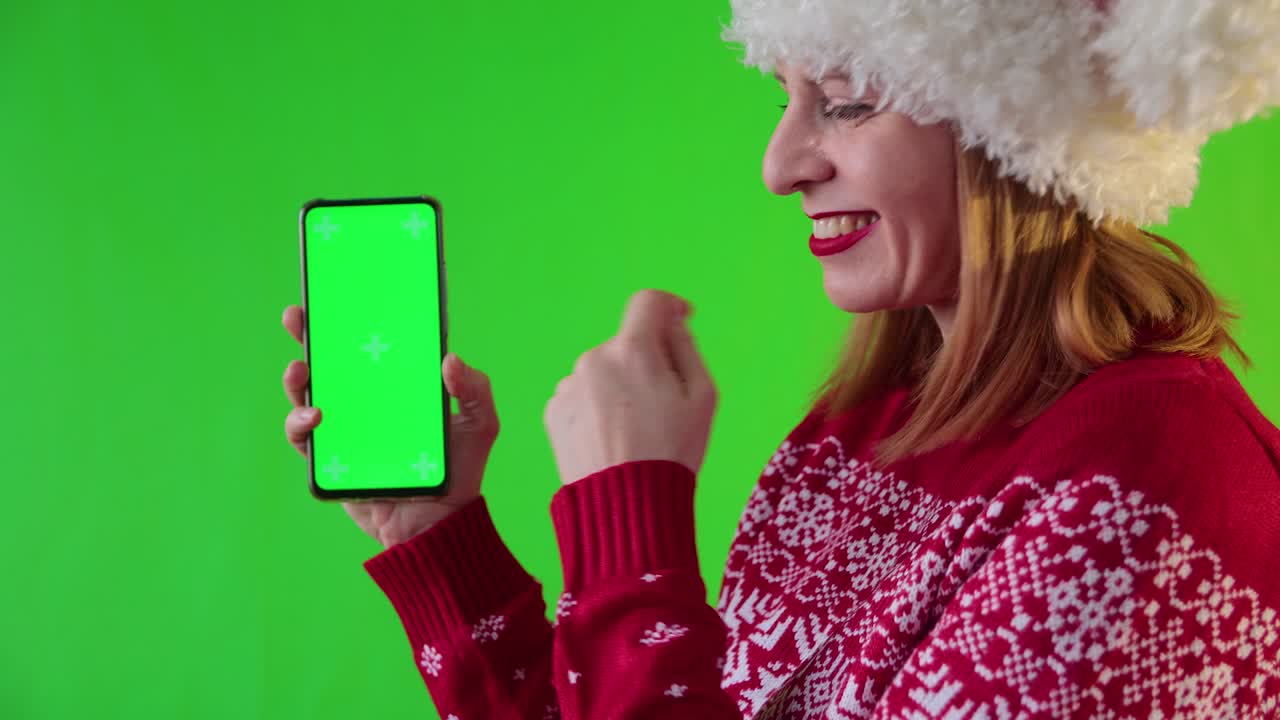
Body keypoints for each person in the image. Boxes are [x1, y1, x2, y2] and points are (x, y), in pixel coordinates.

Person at [279, 0, 1280, 717]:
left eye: (842, 100)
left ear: (1010, 126)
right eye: (785, 96)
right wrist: (440, 542)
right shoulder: (866, 430)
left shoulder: (1148, 482)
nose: (779, 164)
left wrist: (629, 524)